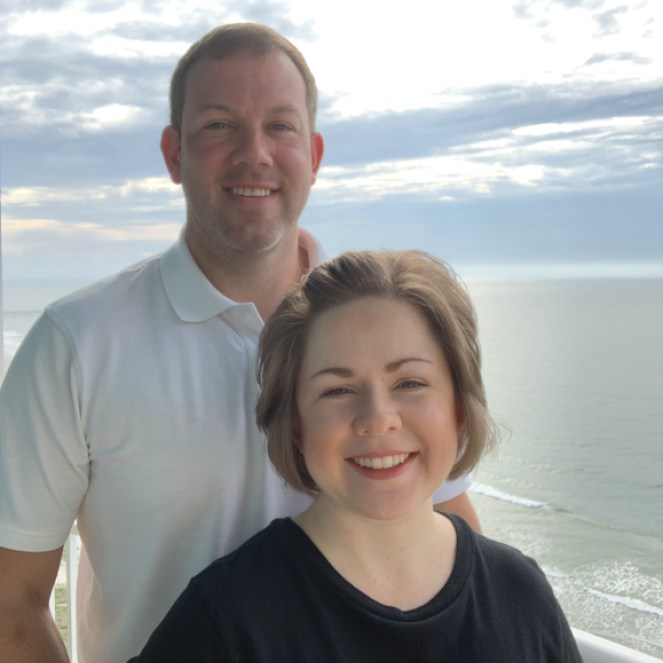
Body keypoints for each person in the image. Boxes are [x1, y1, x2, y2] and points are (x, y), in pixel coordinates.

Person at [0, 23, 478, 663]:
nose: (255, 153)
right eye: (219, 125)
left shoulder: (388, 329)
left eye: (280, 126)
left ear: (314, 154)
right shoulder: (76, 346)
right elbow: (12, 600)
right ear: (174, 154)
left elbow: (453, 531)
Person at [130, 249, 582, 662]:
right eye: (338, 390)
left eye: (409, 383)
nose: (377, 420)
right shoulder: (226, 620)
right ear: (296, 425)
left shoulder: (521, 593)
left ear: (459, 408)